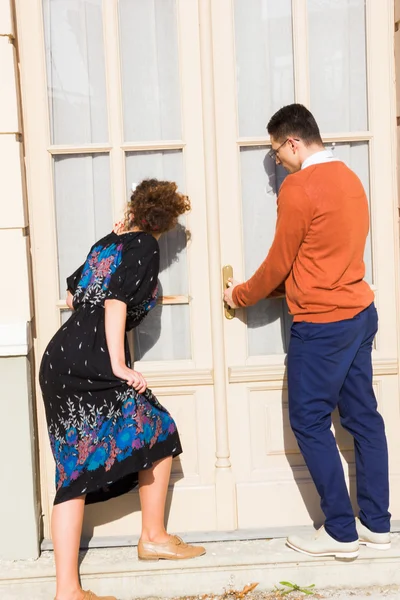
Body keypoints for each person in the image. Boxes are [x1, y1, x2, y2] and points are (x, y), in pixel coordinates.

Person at [224, 104, 391, 559]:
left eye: (277, 152)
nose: (277, 162)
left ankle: (340, 531)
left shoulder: (300, 187)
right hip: (359, 313)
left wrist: (239, 295)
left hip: (322, 324)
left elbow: (280, 260)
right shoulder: (351, 179)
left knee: (309, 420)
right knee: (363, 418)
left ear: (293, 142)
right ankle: (377, 523)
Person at [40, 179, 205, 600]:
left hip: (60, 358)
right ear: (164, 220)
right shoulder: (145, 247)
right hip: (93, 360)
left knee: (72, 472)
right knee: (161, 429)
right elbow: (115, 303)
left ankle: (67, 591)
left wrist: (115, 240)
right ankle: (153, 536)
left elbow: (76, 296)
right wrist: (118, 364)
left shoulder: (107, 243)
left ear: (134, 208)